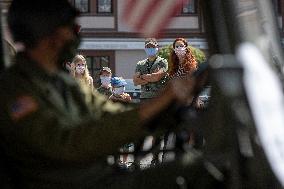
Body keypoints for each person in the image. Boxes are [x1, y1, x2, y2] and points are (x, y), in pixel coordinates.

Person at [0, 0, 221, 188]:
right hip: (78, 183)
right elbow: (68, 144)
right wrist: (160, 102)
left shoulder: (64, 83)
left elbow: (110, 113)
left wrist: (166, 110)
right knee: (199, 170)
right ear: (49, 35)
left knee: (204, 164)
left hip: (102, 176)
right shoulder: (16, 90)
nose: (75, 34)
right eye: (69, 28)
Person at [133, 38, 169, 102]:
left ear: (157, 47)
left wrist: (142, 76)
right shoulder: (140, 63)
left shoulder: (162, 61)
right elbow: (136, 81)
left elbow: (156, 77)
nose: (150, 49)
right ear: (145, 48)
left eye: (152, 47)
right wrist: (151, 77)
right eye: (148, 47)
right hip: (144, 97)